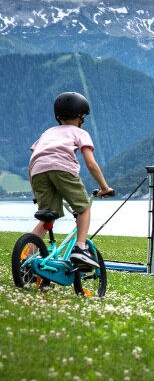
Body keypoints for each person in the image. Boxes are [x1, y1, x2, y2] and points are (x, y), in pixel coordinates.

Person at [29, 92, 113, 269]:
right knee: (83, 208)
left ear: (57, 115)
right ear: (81, 116)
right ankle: (80, 248)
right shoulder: (80, 133)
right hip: (62, 169)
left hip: (37, 171)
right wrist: (104, 187)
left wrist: (36, 192)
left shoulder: (47, 133)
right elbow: (90, 163)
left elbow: (35, 158)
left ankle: (27, 259)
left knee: (47, 218)